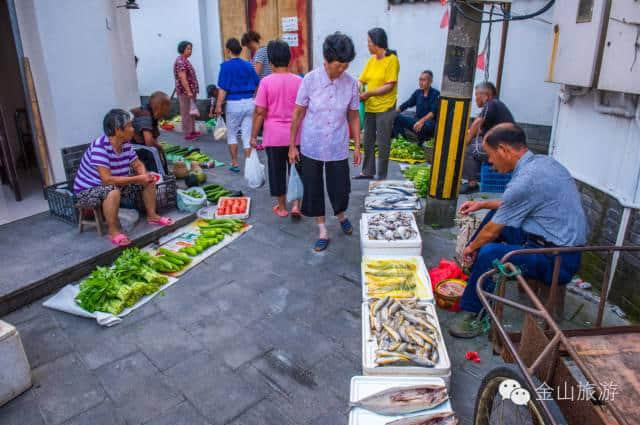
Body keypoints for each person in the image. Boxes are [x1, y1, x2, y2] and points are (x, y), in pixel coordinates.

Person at [448, 123, 586, 338]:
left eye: (490, 155)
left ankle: (474, 312)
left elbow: (494, 230)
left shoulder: (525, 180)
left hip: (557, 259)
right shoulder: (543, 164)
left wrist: (472, 247)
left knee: (489, 252)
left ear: (503, 150)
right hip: (548, 241)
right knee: (494, 218)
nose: (491, 163)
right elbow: (512, 204)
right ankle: (474, 270)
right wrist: (481, 205)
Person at [289, 32, 362, 252]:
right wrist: (292, 145)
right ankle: (322, 229)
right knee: (313, 187)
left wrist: (357, 145)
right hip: (311, 142)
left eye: (346, 65)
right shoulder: (310, 80)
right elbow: (298, 113)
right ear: (326, 61)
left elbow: (354, 115)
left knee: (340, 186)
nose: (343, 70)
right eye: (339, 65)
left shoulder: (351, 83)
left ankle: (341, 215)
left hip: (337, 144)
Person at [73, 109, 175, 247]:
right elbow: (106, 180)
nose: (133, 129)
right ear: (118, 130)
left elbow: (137, 163)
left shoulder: (125, 144)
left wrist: (143, 175)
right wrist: (138, 178)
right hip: (88, 190)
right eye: (130, 126)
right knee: (112, 191)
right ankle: (113, 231)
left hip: (114, 183)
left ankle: (152, 215)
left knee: (149, 179)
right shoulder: (100, 147)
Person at [250, 40, 303, 218]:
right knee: (296, 170)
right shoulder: (299, 81)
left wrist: (252, 136)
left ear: (270, 62)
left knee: (276, 171)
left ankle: (281, 207)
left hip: (273, 136)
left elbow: (260, 112)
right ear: (289, 60)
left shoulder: (266, 82)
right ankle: (296, 205)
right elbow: (304, 110)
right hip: (296, 137)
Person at [355, 27, 399, 180]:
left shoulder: (392, 60)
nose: (367, 45)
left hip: (385, 108)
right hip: (370, 107)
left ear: (377, 42)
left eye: (369, 42)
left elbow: (389, 85)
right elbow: (362, 79)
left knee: (383, 143)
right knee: (367, 140)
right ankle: (367, 171)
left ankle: (382, 175)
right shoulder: (371, 61)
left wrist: (368, 93)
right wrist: (358, 87)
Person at [214, 38, 260, 173]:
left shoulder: (225, 66)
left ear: (228, 50)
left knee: (232, 134)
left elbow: (223, 89)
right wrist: (254, 98)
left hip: (233, 104)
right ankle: (249, 165)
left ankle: (235, 163)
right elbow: (258, 84)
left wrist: (218, 106)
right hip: (249, 103)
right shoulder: (248, 65)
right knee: (247, 135)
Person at [460, 81, 515, 194]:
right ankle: (476, 175)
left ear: (485, 95)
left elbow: (478, 122)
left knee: (467, 149)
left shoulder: (491, 104)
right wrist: (469, 132)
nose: (475, 99)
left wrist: (467, 140)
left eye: (476, 95)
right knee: (476, 143)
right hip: (505, 146)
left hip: (504, 150)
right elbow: (478, 129)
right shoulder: (496, 105)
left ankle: (472, 184)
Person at [393, 70, 440, 145]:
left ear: (430, 81)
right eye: (420, 80)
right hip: (416, 121)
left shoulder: (436, 94)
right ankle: (402, 142)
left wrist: (421, 121)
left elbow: (432, 113)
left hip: (429, 123)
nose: (421, 82)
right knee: (396, 117)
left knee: (423, 126)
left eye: (423, 80)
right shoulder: (418, 92)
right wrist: (394, 112)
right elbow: (407, 104)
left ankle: (420, 145)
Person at [130, 91, 171, 174]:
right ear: (159, 107)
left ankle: (162, 173)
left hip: (140, 145)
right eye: (166, 108)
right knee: (153, 151)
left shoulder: (150, 113)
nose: (167, 111)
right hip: (134, 147)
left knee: (158, 151)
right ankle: (160, 177)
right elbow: (148, 141)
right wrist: (159, 146)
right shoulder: (145, 115)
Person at [173, 40, 200, 141]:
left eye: (191, 49)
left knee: (192, 111)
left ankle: (192, 130)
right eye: (188, 49)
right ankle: (188, 132)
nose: (190, 51)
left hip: (191, 91)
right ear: (182, 49)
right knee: (186, 112)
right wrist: (188, 91)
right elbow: (182, 77)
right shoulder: (180, 61)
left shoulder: (185, 60)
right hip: (185, 92)